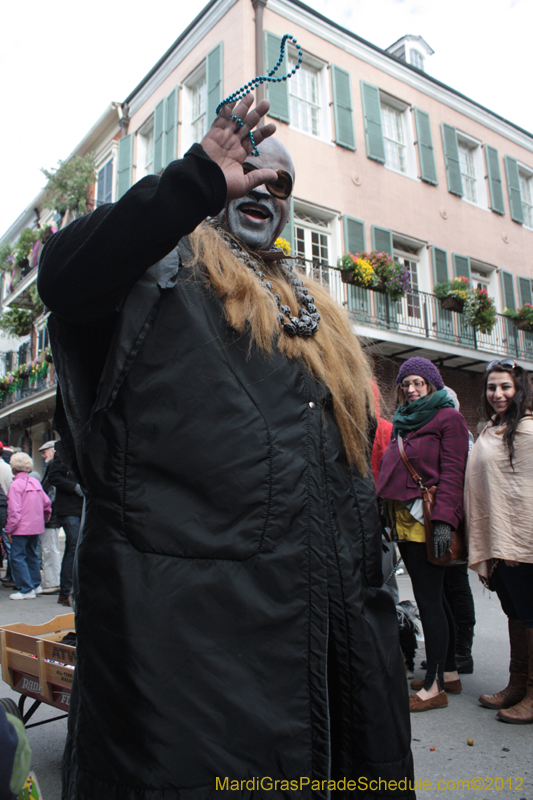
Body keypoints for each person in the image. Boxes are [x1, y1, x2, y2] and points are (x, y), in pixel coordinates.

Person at [38, 95, 414, 798]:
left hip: (336, 662)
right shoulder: (157, 273)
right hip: (189, 678)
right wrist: (195, 179)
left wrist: (379, 618)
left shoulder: (319, 319)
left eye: (281, 185)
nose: (263, 188)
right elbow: (64, 277)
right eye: (247, 172)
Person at [376, 357, 469, 712]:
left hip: (427, 523)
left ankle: (432, 688)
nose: (411, 390)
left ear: (432, 384)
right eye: (405, 384)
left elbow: (453, 475)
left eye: (418, 383)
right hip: (403, 518)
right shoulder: (405, 422)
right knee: (438, 599)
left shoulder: (449, 418)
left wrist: (445, 522)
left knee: (429, 601)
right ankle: (448, 672)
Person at [465, 359, 533, 724]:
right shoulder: (492, 429)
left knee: (530, 614)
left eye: (505, 387)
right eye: (492, 387)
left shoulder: (528, 431)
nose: (498, 394)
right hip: (498, 540)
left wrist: (517, 540)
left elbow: (525, 493)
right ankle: (517, 683)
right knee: (515, 612)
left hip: (523, 544)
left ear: (519, 388)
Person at [4, 453, 51, 600]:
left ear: (14, 468)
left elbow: (14, 511)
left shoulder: (15, 485)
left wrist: (8, 529)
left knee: (17, 557)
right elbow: (47, 503)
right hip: (36, 526)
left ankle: (26, 589)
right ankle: (36, 585)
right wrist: (45, 518)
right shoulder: (35, 482)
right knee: (32, 555)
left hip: (21, 527)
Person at [44, 441, 83, 606]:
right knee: (73, 547)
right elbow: (53, 476)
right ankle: (65, 592)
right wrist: (74, 487)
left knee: (79, 548)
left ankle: (74, 590)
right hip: (68, 508)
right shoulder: (64, 448)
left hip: (81, 507)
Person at [39, 440, 62, 593]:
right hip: (51, 515)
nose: (42, 455)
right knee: (51, 548)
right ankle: (52, 580)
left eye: (45, 451)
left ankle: (53, 581)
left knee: (50, 549)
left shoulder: (53, 468)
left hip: (51, 517)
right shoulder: (51, 467)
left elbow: (50, 494)